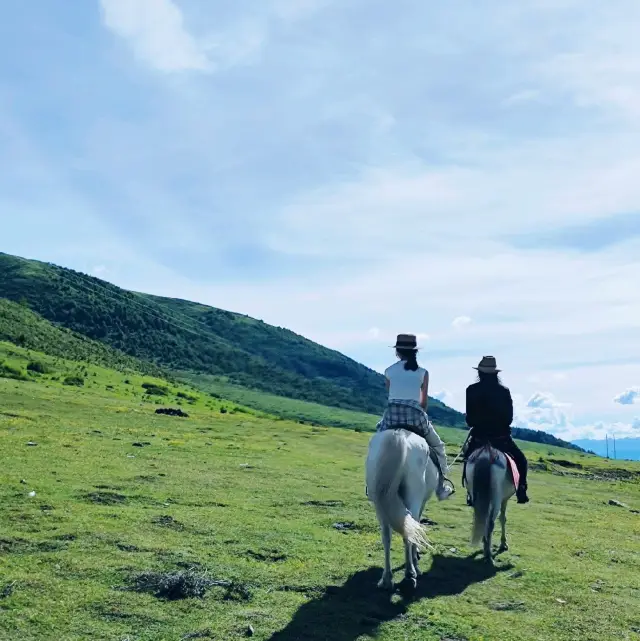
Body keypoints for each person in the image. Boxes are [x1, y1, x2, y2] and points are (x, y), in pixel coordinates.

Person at [376, 333, 453, 501]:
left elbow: (391, 394)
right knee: (438, 446)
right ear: (415, 352)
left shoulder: (389, 371)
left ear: (397, 351)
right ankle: (441, 487)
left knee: (376, 445)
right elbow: (423, 402)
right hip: (415, 416)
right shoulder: (423, 373)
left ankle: (372, 485)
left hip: (391, 416)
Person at [464, 356, 529, 504]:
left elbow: (470, 419)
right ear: (495, 373)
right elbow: (509, 418)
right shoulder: (504, 391)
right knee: (521, 460)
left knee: (468, 457)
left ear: (479, 373)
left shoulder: (471, 390)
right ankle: (521, 490)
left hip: (479, 438)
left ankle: (469, 492)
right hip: (501, 439)